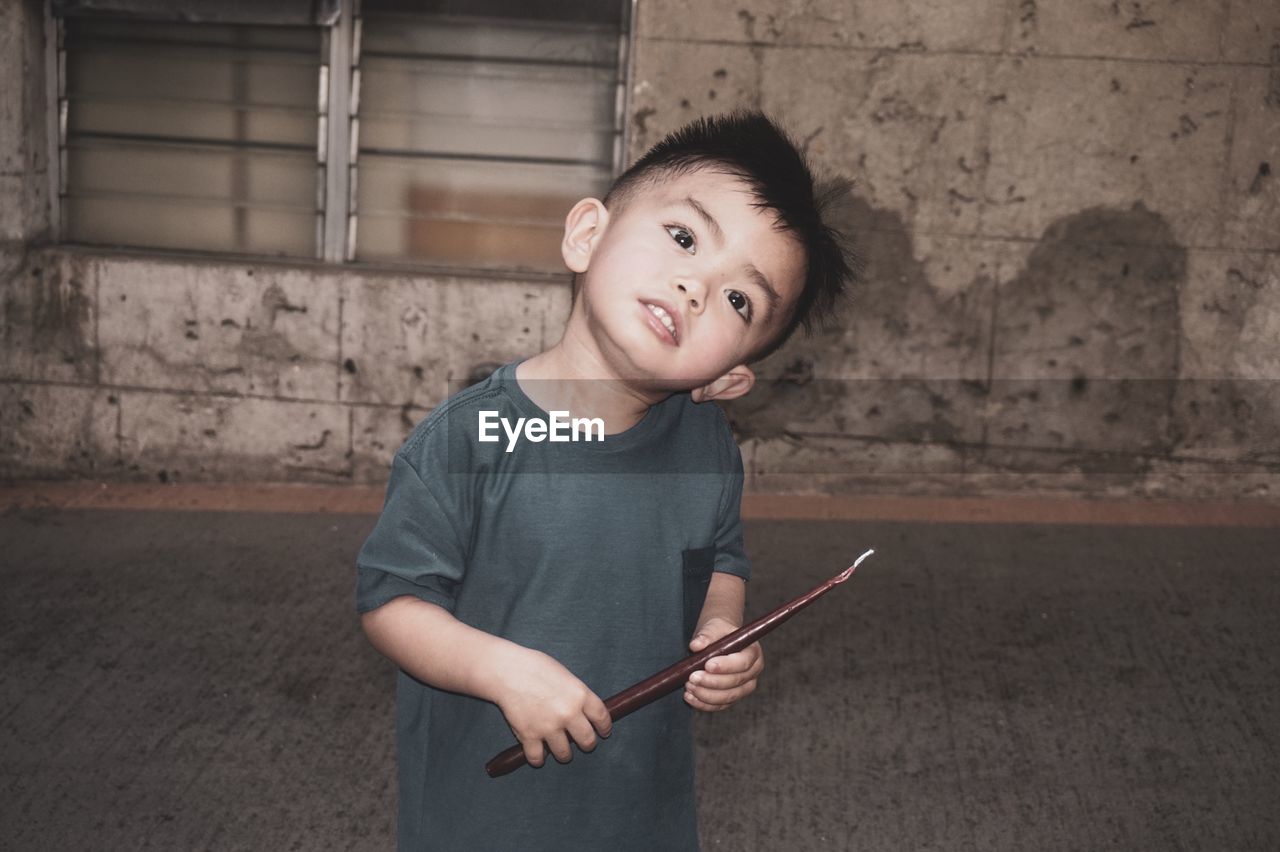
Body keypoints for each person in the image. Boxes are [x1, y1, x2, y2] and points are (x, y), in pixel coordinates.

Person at [356, 111, 854, 851]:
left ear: (734, 366)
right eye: (685, 238)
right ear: (587, 234)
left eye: (739, 301)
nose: (695, 287)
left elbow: (720, 560)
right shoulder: (470, 441)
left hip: (636, 811)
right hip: (484, 816)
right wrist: (501, 671)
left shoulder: (704, 443)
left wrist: (721, 629)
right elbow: (390, 602)